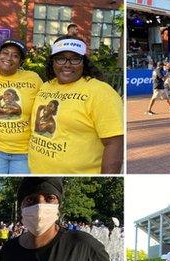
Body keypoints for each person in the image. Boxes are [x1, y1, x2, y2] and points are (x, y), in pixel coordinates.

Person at [28, 36, 124, 174]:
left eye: (75, 59)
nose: (67, 64)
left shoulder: (101, 92)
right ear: (53, 62)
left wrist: (107, 181)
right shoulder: (46, 86)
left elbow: (114, 143)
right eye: (60, 58)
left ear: (84, 62)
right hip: (36, 172)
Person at [0, 39, 43, 174]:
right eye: (5, 53)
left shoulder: (33, 79)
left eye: (15, 55)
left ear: (20, 62)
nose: (9, 58)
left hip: (24, 151)